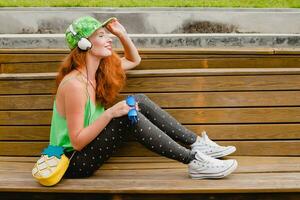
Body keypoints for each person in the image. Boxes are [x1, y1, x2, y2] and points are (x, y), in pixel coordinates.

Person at [49, 16, 238, 180]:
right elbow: (77, 142)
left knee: (138, 100)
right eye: (101, 36)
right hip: (71, 162)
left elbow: (133, 60)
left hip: (86, 152)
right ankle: (194, 162)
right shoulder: (74, 85)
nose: (109, 39)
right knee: (127, 117)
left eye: (107, 35)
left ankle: (197, 144)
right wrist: (111, 113)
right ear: (84, 44)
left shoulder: (98, 73)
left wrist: (122, 34)